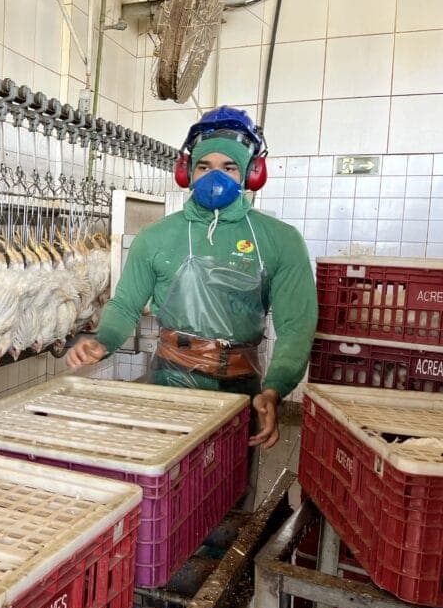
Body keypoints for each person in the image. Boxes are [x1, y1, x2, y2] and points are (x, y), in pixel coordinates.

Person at [67, 106, 317, 452]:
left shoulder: (280, 240)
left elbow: (296, 326)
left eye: (228, 167)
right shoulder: (155, 237)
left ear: (251, 173)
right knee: (170, 472)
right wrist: (104, 340)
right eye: (204, 166)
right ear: (187, 172)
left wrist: (275, 389)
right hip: (170, 383)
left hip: (241, 388)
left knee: (228, 478)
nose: (215, 177)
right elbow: (125, 304)